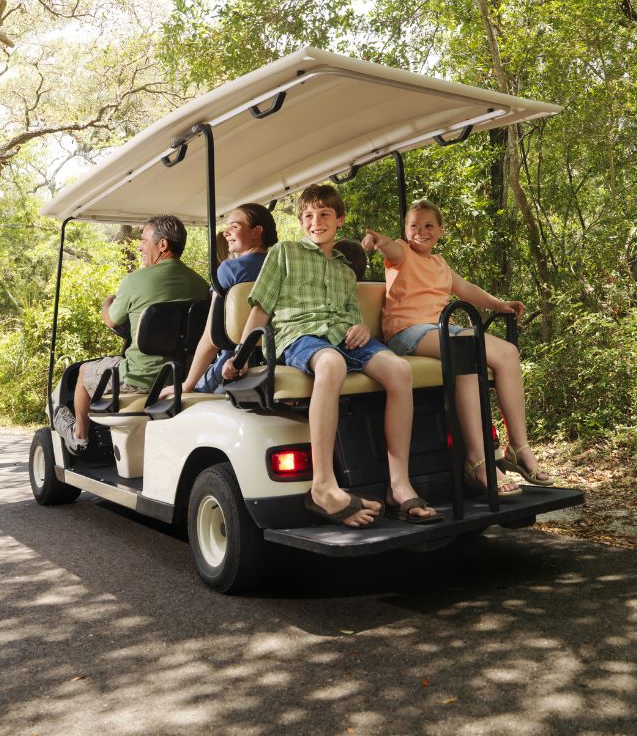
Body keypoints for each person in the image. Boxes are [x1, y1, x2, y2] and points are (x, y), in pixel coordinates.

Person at [224, 183, 441, 528]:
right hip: (300, 335)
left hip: (346, 337)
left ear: (339, 220)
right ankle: (323, 486)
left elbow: (352, 317)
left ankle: (398, 484)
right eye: (308, 215)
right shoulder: (284, 252)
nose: (316, 221)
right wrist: (241, 356)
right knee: (331, 362)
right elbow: (261, 309)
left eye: (324, 214)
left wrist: (363, 329)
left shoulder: (344, 269)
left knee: (399, 370)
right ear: (300, 221)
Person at [363, 199, 554, 495]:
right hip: (407, 332)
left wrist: (499, 305)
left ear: (440, 231)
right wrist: (379, 241)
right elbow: (390, 247)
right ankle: (478, 461)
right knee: (466, 348)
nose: (421, 232)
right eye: (414, 226)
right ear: (405, 230)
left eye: (428, 226)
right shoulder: (401, 254)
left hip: (443, 330)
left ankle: (518, 447)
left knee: (508, 353)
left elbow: (467, 290)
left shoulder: (440, 264)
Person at [53, 215, 209, 453]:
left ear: (163, 245)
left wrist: (107, 302)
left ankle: (79, 438)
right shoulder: (200, 285)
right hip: (181, 377)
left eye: (144, 240)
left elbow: (111, 319)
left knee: (84, 372)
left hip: (139, 378)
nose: (139, 246)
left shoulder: (134, 281)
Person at [171, 203, 278, 396]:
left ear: (257, 232)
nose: (226, 233)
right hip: (275, 359)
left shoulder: (230, 270)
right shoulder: (280, 265)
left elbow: (211, 336)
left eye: (234, 227)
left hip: (233, 364)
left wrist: (187, 385)